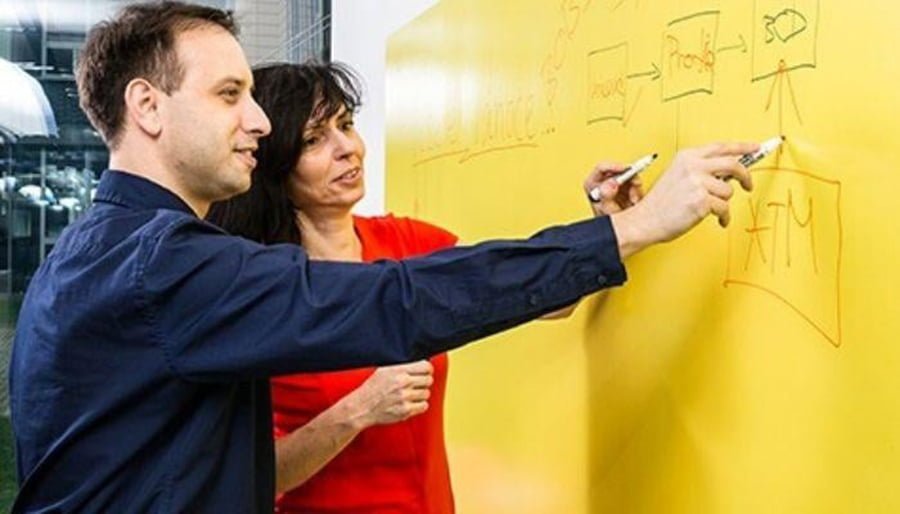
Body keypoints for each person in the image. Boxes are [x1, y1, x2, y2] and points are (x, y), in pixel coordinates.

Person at [7, 2, 756, 512]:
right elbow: (399, 300)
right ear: (147, 107)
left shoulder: (94, 253)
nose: (258, 120)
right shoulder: (164, 267)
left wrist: (600, 227)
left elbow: (453, 283)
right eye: (230, 94)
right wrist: (641, 227)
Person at [207, 62, 630, 513]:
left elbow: (534, 299)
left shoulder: (408, 244)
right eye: (314, 140)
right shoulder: (261, 293)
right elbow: (253, 478)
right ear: (274, 167)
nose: (347, 148)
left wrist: (605, 225)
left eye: (346, 125)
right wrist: (358, 411)